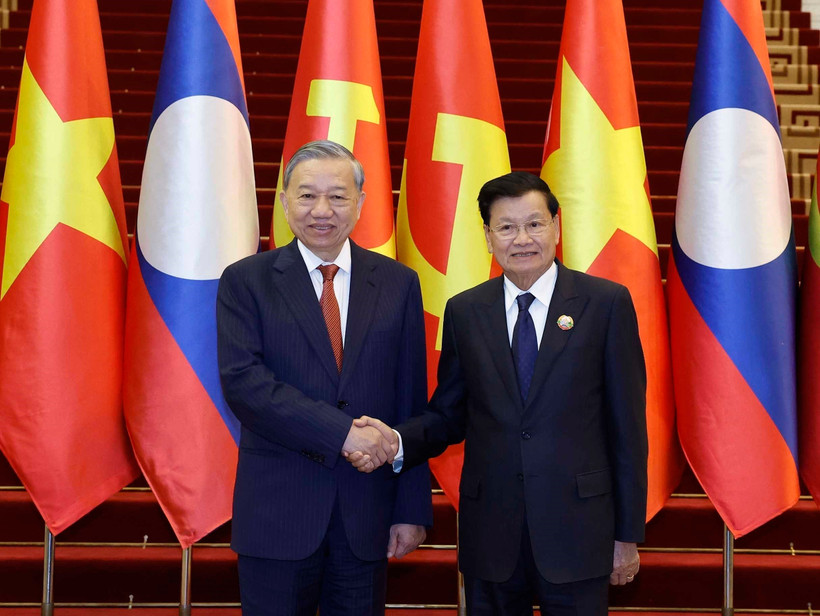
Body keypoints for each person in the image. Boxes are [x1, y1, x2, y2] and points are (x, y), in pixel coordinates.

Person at [350, 172, 648, 615]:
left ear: (557, 227)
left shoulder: (605, 304)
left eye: (534, 224)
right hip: (491, 533)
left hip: (580, 531)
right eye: (506, 227)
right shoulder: (467, 311)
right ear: (488, 237)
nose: (522, 239)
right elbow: (448, 415)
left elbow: (628, 427)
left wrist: (626, 534)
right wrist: (395, 442)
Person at [216, 140, 432, 616]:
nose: (322, 210)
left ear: (360, 202)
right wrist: (343, 434)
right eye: (307, 195)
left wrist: (411, 509)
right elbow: (245, 384)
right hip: (278, 514)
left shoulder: (398, 283)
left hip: (367, 516)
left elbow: (411, 398)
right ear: (284, 200)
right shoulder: (245, 280)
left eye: (337, 196)